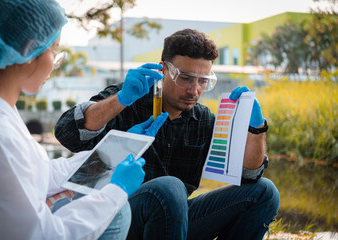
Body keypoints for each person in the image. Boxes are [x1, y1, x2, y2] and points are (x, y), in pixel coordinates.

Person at [55, 29, 280, 240]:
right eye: (185, 78)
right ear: (163, 69)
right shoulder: (128, 97)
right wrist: (122, 99)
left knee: (265, 192)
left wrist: (256, 128)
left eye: (203, 81)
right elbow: (67, 134)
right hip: (117, 214)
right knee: (169, 187)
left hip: (173, 219)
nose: (194, 90)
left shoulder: (203, 121)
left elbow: (248, 177)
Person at [0, 0, 167, 239]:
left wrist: (117, 150)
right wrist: (117, 190)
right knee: (119, 210)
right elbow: (44, 235)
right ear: (28, 51)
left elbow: (39, 174)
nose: (55, 64)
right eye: (54, 51)